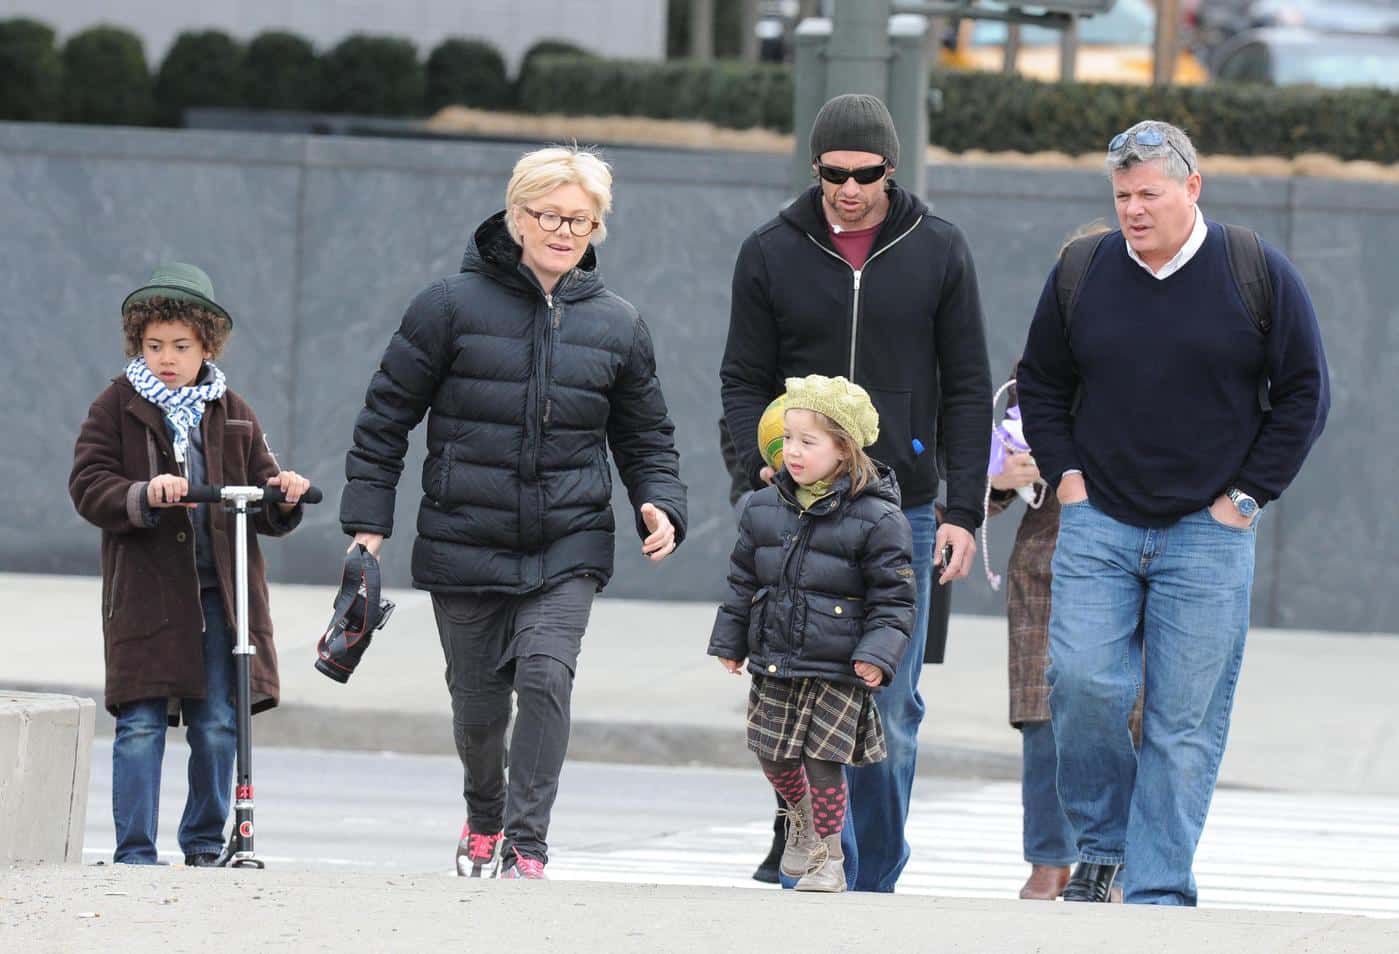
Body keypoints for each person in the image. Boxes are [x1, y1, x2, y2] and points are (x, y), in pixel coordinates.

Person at [339, 145, 688, 880]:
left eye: (580, 221)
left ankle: (527, 843)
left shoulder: (619, 324)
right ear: (514, 214)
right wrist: (367, 521)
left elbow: (646, 434)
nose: (564, 232)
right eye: (549, 215)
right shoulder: (447, 306)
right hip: (465, 534)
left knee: (545, 676)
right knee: (477, 706)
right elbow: (385, 418)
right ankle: (483, 816)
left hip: (568, 538)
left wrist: (659, 502)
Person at [1017, 120, 1330, 905]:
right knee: (1082, 684)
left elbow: (1304, 395)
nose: (1132, 209)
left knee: (1180, 724)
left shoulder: (1255, 269)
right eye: (1121, 195)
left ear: (1192, 188)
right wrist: (1067, 480)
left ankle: (1156, 893)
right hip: (1099, 522)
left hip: (1208, 532)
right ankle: (1103, 847)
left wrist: (1245, 498)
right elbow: (1042, 385)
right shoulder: (1081, 270)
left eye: (1148, 194)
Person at [720, 93, 991, 891]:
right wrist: (758, 467)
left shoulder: (937, 248)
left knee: (890, 704)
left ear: (890, 169)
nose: (849, 189)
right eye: (833, 174)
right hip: (795, 509)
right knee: (793, 696)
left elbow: (969, 386)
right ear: (815, 170)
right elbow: (741, 380)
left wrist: (963, 509)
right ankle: (806, 849)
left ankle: (872, 878)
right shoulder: (770, 250)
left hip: (899, 508)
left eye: (865, 174)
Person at [69, 262, 310, 866]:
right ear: (137, 345)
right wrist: (143, 494)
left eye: (181, 346)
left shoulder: (229, 408)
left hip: (220, 595)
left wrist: (282, 491)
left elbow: (261, 490)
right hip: (147, 594)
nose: (166, 358)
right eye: (154, 346)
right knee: (142, 722)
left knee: (218, 724)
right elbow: (88, 483)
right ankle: (135, 850)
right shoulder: (116, 406)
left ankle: (203, 842)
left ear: (207, 345)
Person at [708, 374, 916, 893]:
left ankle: (829, 858)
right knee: (773, 753)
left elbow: (895, 598)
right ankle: (798, 819)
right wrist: (730, 642)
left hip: (838, 665)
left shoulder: (879, 517)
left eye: (808, 441)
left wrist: (878, 654)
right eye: (787, 440)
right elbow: (742, 580)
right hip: (778, 658)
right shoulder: (762, 508)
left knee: (824, 761)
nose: (792, 453)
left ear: (844, 450)